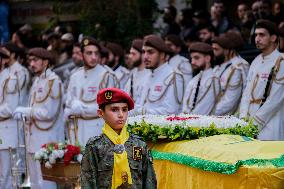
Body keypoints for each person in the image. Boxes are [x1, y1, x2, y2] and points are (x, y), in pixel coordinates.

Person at [81, 87, 157, 189]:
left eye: (124, 110)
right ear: (101, 113)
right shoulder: (95, 146)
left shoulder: (138, 144)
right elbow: (88, 183)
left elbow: (149, 181)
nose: (121, 115)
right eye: (114, 110)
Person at [13, 47, 64, 188]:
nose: (31, 63)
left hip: (46, 140)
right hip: (33, 139)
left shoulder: (53, 81)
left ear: (46, 62)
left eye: (35, 60)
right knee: (35, 183)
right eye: (30, 60)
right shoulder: (37, 81)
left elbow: (49, 113)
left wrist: (27, 111)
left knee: (46, 183)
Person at [64, 36, 118, 146]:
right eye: (89, 53)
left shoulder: (106, 75)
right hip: (77, 130)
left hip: (96, 129)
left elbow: (110, 107)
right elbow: (68, 101)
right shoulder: (75, 75)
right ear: (82, 54)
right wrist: (71, 107)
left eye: (96, 53)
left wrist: (83, 109)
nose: (93, 57)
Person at [240, 19, 284, 140]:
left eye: (262, 35)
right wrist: (243, 118)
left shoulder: (281, 61)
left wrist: (255, 123)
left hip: (271, 122)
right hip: (249, 122)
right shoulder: (256, 61)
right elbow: (247, 93)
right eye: (256, 35)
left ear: (273, 38)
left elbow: (276, 99)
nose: (257, 39)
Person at [131, 34, 185, 115]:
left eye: (150, 52)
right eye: (144, 52)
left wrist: (139, 111)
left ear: (162, 55)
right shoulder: (147, 76)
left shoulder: (174, 76)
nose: (145, 57)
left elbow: (170, 112)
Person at [182, 42, 220, 115]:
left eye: (196, 58)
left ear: (208, 58)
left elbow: (203, 110)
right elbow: (185, 106)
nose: (192, 62)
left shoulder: (213, 80)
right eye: (191, 58)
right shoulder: (194, 79)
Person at [211, 35, 243, 115]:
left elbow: (231, 100)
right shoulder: (218, 67)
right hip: (214, 114)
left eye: (216, 49)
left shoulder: (239, 67)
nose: (214, 53)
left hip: (227, 117)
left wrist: (211, 113)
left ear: (228, 49)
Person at [124, 39, 151, 103]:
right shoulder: (132, 73)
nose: (130, 56)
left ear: (143, 55)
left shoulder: (150, 74)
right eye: (130, 53)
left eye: (133, 54)